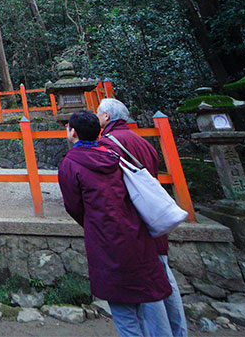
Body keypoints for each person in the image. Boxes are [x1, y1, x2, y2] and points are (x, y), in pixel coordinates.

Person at [58, 110, 172, 337]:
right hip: (136, 233)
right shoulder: (114, 156)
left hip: (105, 240)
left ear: (72, 132)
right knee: (146, 304)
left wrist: (92, 222)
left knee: (125, 315)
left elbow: (74, 206)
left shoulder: (70, 164)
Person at [97, 98, 187, 337]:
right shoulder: (143, 141)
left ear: (106, 117)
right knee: (165, 278)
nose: (97, 118)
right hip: (153, 220)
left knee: (149, 287)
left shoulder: (108, 143)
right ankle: (178, 331)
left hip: (133, 224)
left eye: (98, 114)